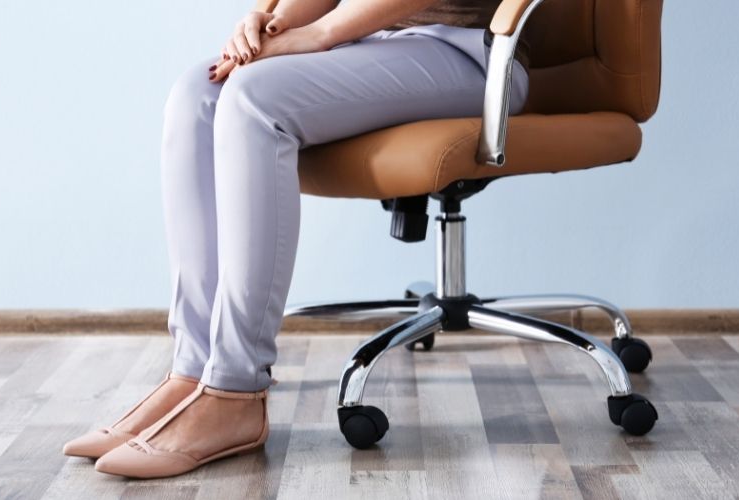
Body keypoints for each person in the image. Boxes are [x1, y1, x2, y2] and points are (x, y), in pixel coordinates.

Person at [62, 0, 530, 478]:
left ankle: (235, 390)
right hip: (369, 43)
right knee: (198, 92)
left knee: (252, 99)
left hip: (469, 54)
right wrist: (275, 20)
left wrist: (321, 33)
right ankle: (192, 373)